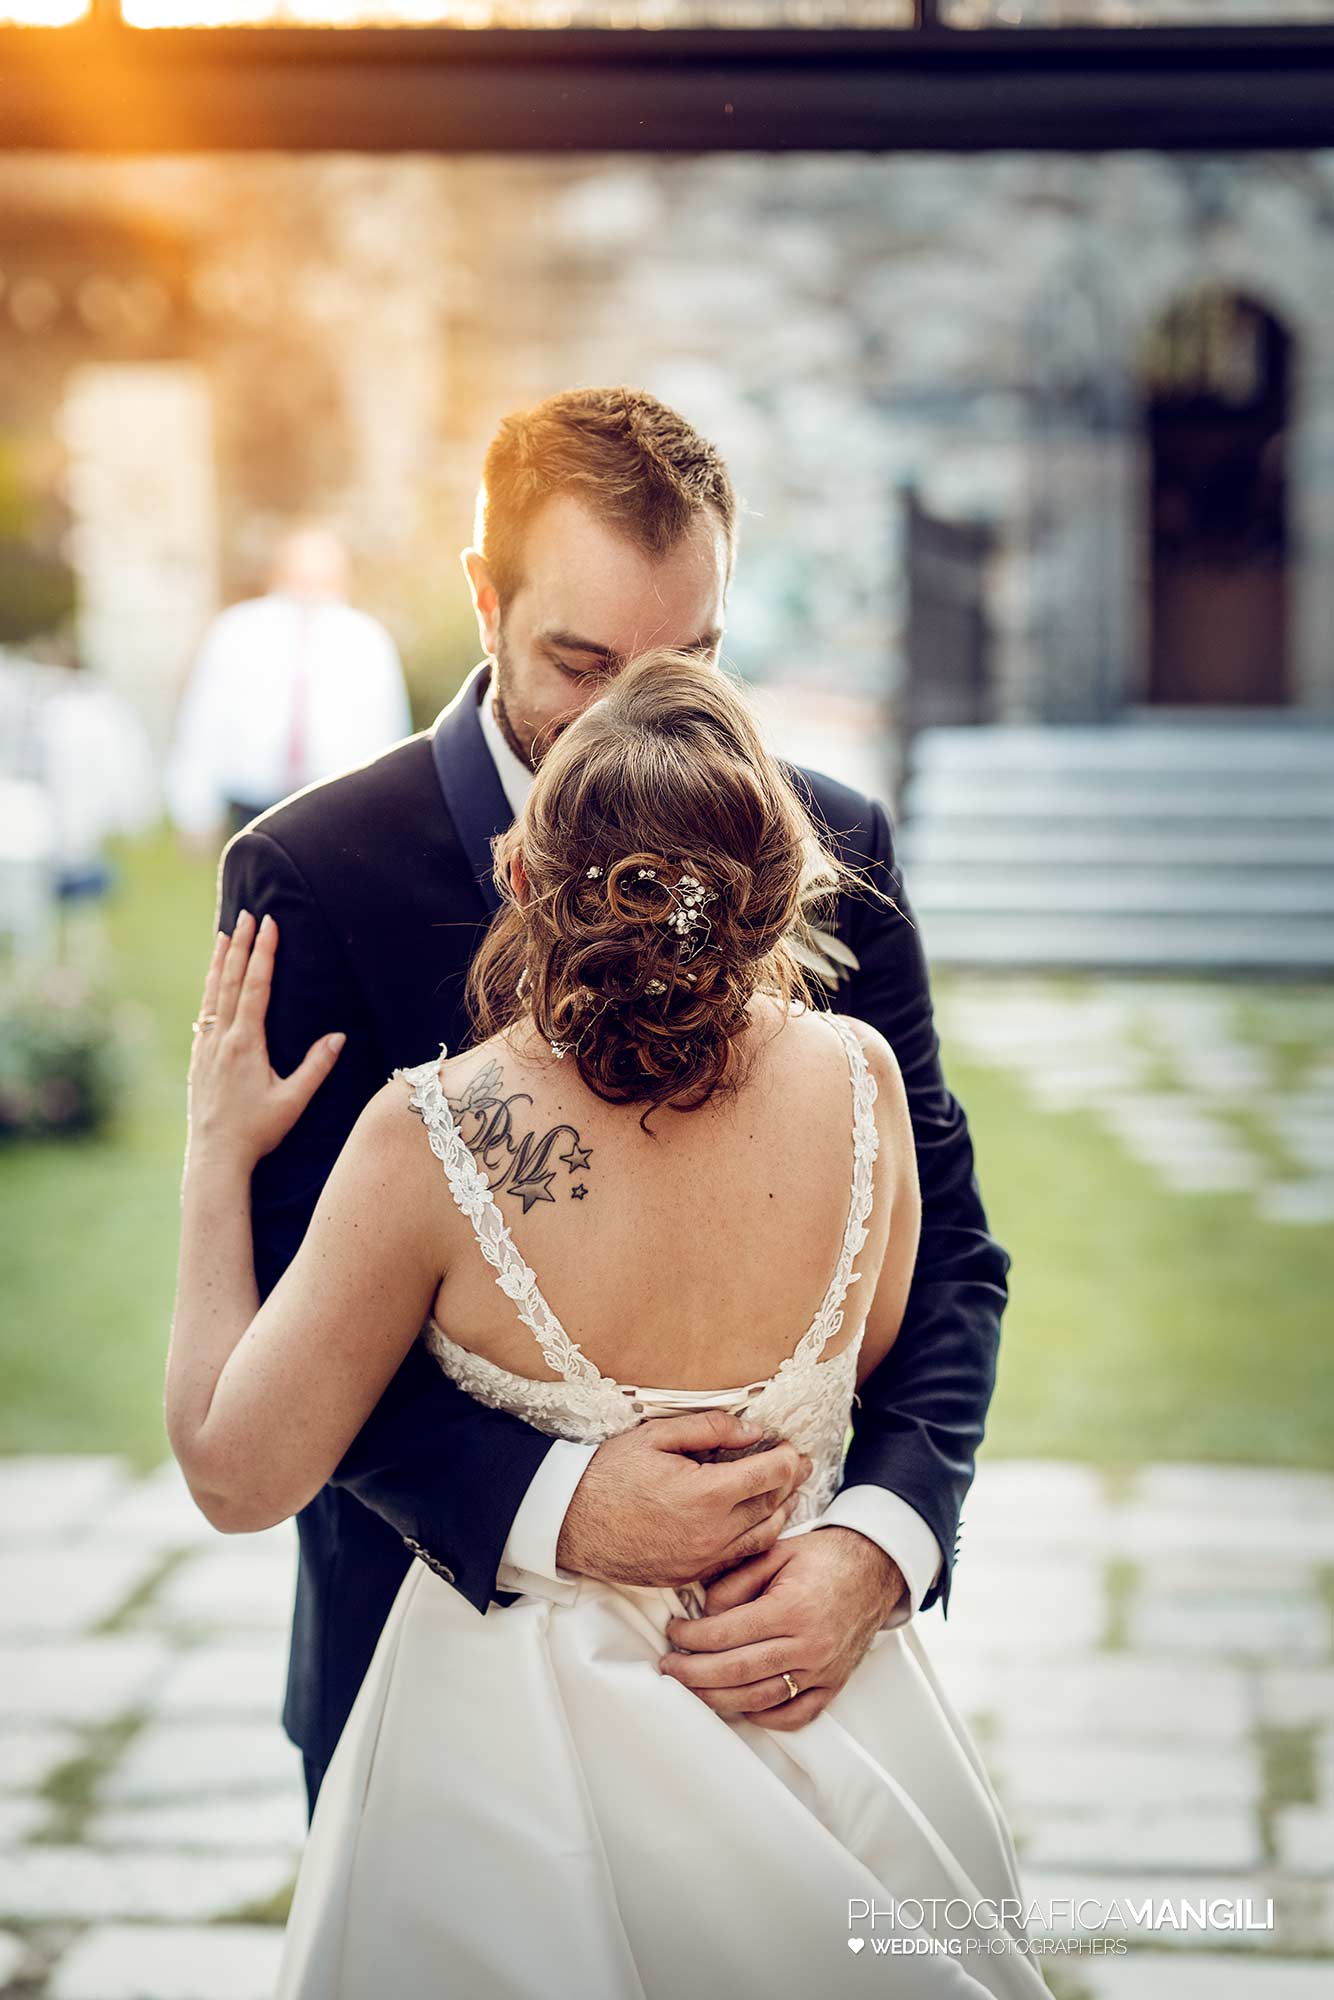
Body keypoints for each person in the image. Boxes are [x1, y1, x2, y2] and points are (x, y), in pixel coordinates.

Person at [168, 653, 1043, 1997]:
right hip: (808, 1703)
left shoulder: (431, 1136)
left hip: (508, 1755)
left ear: (519, 876)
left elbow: (237, 1475)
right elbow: (873, 1353)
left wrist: (213, 1155)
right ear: (775, 891)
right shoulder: (859, 1083)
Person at [210, 387, 1006, 1830]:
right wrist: (552, 1499)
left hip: (784, 1676)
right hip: (437, 1675)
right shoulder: (314, 871)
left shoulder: (830, 842)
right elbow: (290, 1311)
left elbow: (945, 1250)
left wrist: (876, 1541)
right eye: (581, 662)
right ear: (486, 599)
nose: (635, 714)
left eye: (687, 660)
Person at [164, 523, 411, 847]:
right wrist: (195, 806)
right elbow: (205, 719)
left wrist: (389, 808)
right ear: (278, 571)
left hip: (336, 800)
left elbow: (387, 727)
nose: (310, 584)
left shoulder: (366, 638)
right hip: (253, 798)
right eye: (301, 570)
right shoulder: (237, 631)